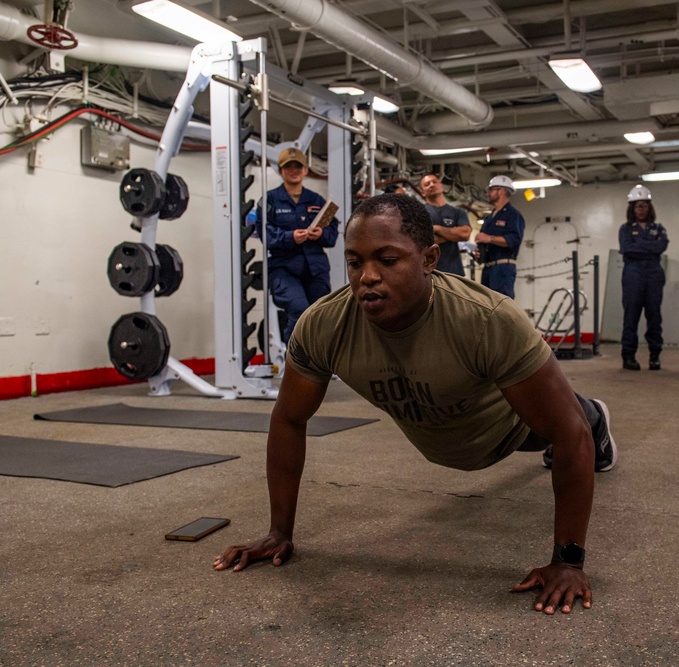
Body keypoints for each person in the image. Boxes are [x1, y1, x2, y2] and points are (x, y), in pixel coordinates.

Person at [214, 194, 618, 616]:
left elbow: (569, 433)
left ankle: (598, 417)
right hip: (445, 435)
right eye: (355, 262)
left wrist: (569, 562)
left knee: (571, 423)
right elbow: (289, 419)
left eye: (387, 260)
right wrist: (279, 531)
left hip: (511, 427)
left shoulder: (486, 320)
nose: (367, 276)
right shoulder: (324, 326)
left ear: (429, 259)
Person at [256, 147, 340, 342]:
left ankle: (317, 364)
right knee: (300, 309)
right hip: (284, 269)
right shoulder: (270, 201)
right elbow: (265, 235)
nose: (293, 170)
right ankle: (294, 362)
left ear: (305, 170)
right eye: (288, 167)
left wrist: (321, 234)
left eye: (297, 166)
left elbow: (332, 235)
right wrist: (290, 237)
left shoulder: (317, 201)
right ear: (280, 171)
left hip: (316, 269)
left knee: (320, 316)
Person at [618, 184, 669, 371]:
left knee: (654, 315)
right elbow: (626, 249)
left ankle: (655, 356)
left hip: (654, 274)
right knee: (631, 316)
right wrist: (649, 246)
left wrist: (640, 245)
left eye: (645, 205)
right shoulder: (625, 229)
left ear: (650, 207)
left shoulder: (659, 228)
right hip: (633, 274)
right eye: (638, 206)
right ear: (632, 208)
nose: (641, 209)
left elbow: (661, 247)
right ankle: (628, 356)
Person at [475, 175, 525, 298]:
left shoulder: (513, 215)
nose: (488, 193)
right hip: (487, 268)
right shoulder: (488, 218)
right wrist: (478, 253)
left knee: (501, 304)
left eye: (491, 190)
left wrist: (489, 238)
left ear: (501, 191)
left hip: (503, 268)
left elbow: (514, 239)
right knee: (486, 304)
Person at [420, 173, 472, 276]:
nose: (431, 185)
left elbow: (464, 234)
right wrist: (452, 235)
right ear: (423, 193)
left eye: (435, 182)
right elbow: (421, 239)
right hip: (428, 272)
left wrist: (437, 229)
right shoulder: (419, 212)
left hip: (454, 272)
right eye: (427, 184)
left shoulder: (458, 212)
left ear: (441, 186)